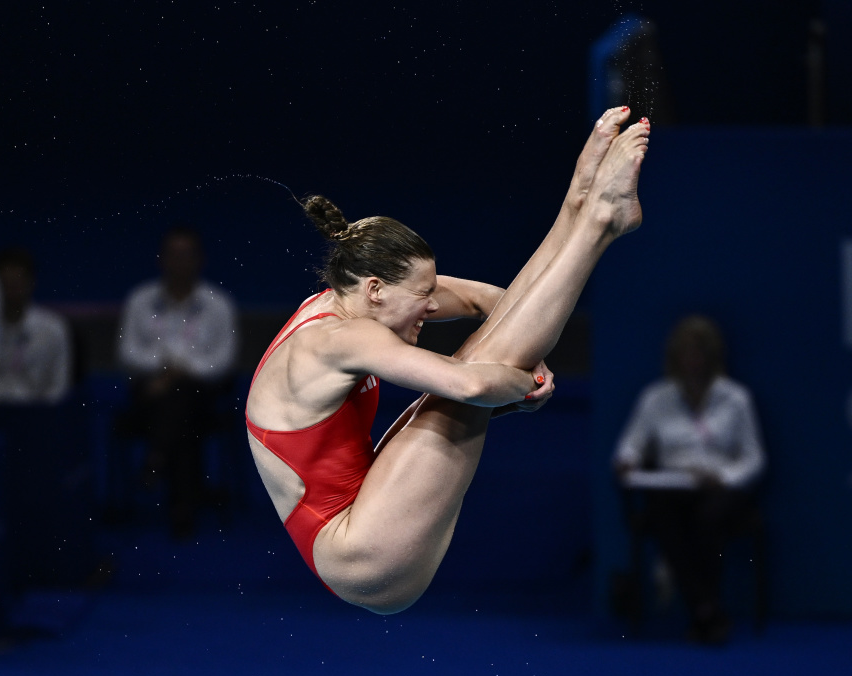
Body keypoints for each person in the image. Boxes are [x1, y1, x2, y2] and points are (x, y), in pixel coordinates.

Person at [246, 107, 651, 614]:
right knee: (475, 368)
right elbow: (475, 386)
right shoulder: (340, 339)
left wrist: (523, 366)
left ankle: (581, 207)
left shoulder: (339, 304)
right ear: (374, 289)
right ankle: (599, 224)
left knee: (483, 356)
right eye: (423, 295)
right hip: (360, 553)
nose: (434, 305)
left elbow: (488, 300)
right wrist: (521, 383)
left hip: (366, 516)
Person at [613, 314, 766, 644]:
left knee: (708, 518)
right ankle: (708, 610)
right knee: (663, 514)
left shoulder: (736, 399)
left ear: (712, 357)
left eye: (699, 353)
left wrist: (722, 477)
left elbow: (754, 458)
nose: (692, 361)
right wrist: (627, 462)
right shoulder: (656, 398)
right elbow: (630, 446)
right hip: (672, 489)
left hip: (720, 491)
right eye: (685, 353)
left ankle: (703, 611)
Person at [116, 226, 240, 536]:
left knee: (181, 401)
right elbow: (127, 352)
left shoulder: (219, 303)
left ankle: (156, 458)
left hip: (202, 397)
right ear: (162, 259)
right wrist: (166, 368)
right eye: (174, 254)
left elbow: (224, 360)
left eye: (187, 254)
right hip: (148, 394)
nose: (180, 261)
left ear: (200, 259)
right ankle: (183, 508)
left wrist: (178, 371)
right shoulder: (140, 299)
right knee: (177, 409)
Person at [0, 246, 73, 405]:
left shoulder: (53, 328)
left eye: (17, 284)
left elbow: (59, 386)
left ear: (31, 283)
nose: (11, 291)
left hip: (37, 413)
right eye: (6, 284)